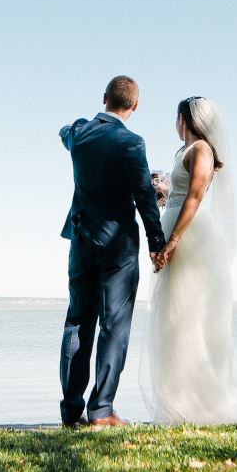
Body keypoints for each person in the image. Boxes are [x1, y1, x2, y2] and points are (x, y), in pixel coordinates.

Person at [58, 75, 165, 428]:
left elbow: (64, 131)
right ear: (135, 106)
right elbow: (144, 197)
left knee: (77, 322)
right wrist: (156, 243)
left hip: (82, 240)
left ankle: (71, 411)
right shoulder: (131, 143)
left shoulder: (80, 133)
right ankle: (101, 410)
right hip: (118, 246)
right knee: (114, 326)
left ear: (104, 97)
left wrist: (75, 129)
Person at [147, 96, 237, 425]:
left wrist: (174, 240)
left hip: (190, 240)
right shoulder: (182, 153)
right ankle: (180, 402)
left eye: (176, 118)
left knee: (189, 319)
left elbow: (195, 195)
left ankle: (203, 404)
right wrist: (162, 191)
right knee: (174, 319)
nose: (174, 124)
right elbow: (179, 193)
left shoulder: (202, 149)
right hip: (175, 230)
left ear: (184, 119)